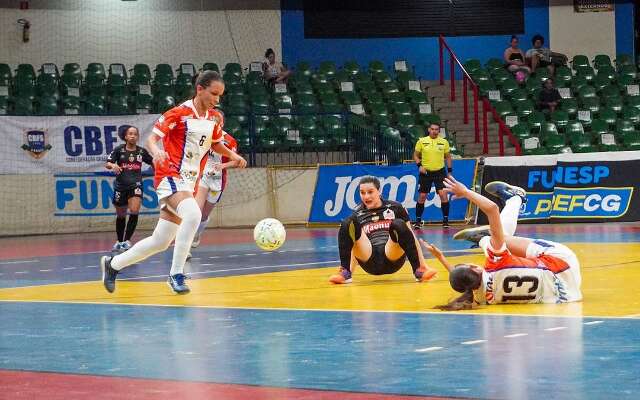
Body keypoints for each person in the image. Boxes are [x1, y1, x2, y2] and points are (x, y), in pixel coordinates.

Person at [100, 70, 247, 295]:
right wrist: (156, 151)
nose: (217, 99)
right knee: (194, 214)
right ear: (200, 89)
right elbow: (151, 138)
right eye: (214, 94)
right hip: (170, 176)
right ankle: (176, 274)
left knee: (161, 241)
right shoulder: (179, 113)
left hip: (189, 182)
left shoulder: (212, 120)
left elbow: (216, 144)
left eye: (220, 96)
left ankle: (112, 265)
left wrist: (234, 156)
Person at [420, 178, 582, 310]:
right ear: (474, 268)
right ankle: (515, 199)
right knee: (501, 237)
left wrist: (441, 258)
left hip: (568, 292)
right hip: (562, 263)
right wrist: (466, 192)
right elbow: (492, 209)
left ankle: (485, 238)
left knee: (500, 242)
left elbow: (464, 283)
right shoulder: (494, 262)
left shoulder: (482, 298)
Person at [329, 176, 437, 284]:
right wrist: (350, 272)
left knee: (398, 223)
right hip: (369, 258)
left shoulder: (396, 208)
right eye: (362, 192)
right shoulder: (357, 214)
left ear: (379, 191)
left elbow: (411, 237)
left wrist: (423, 265)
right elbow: (354, 245)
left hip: (392, 255)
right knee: (347, 223)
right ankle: (345, 272)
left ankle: (418, 271)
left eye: (370, 192)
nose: (366, 196)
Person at [105, 125, 154, 253]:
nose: (133, 136)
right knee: (121, 215)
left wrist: (159, 174)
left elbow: (153, 162)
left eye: (135, 134)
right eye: (130, 134)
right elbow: (108, 163)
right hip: (120, 186)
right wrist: (113, 165)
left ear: (137, 137)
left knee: (134, 210)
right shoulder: (118, 150)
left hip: (136, 185)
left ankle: (127, 241)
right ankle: (119, 241)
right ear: (125, 137)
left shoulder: (141, 152)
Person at [191, 131, 240, 248]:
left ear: (221, 123)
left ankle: (197, 233)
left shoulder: (229, 140)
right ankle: (187, 243)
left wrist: (222, 166)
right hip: (203, 177)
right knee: (196, 211)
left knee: (204, 215)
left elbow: (236, 161)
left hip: (218, 180)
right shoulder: (202, 135)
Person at [413, 122, 453, 229]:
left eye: (436, 129)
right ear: (429, 130)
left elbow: (448, 157)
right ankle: (417, 221)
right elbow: (416, 155)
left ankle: (445, 220)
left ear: (439, 131)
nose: (434, 131)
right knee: (422, 196)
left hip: (440, 172)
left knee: (443, 195)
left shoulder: (444, 142)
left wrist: (449, 171)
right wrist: (419, 166)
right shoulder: (422, 141)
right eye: (432, 129)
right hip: (426, 173)